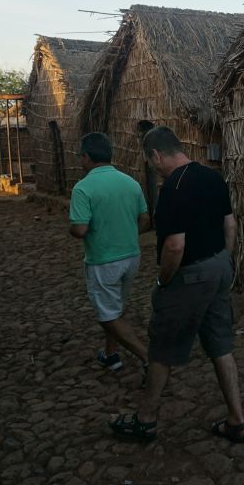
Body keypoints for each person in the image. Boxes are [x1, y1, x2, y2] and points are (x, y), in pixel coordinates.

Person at [109, 126, 244, 442]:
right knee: (220, 345)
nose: (154, 169)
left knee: (162, 347)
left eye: (152, 162)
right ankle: (237, 420)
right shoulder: (213, 177)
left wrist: (163, 280)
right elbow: (230, 224)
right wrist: (223, 262)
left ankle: (145, 419)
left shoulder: (173, 188)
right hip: (218, 267)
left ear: (157, 154)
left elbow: (174, 245)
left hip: (190, 275)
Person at [68, 132, 150, 375]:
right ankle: (111, 354)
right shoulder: (131, 182)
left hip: (103, 261)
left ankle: (148, 358)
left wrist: (72, 229)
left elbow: (80, 229)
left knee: (107, 316)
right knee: (117, 308)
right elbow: (145, 220)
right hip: (131, 257)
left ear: (86, 157)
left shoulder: (83, 188)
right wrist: (126, 234)